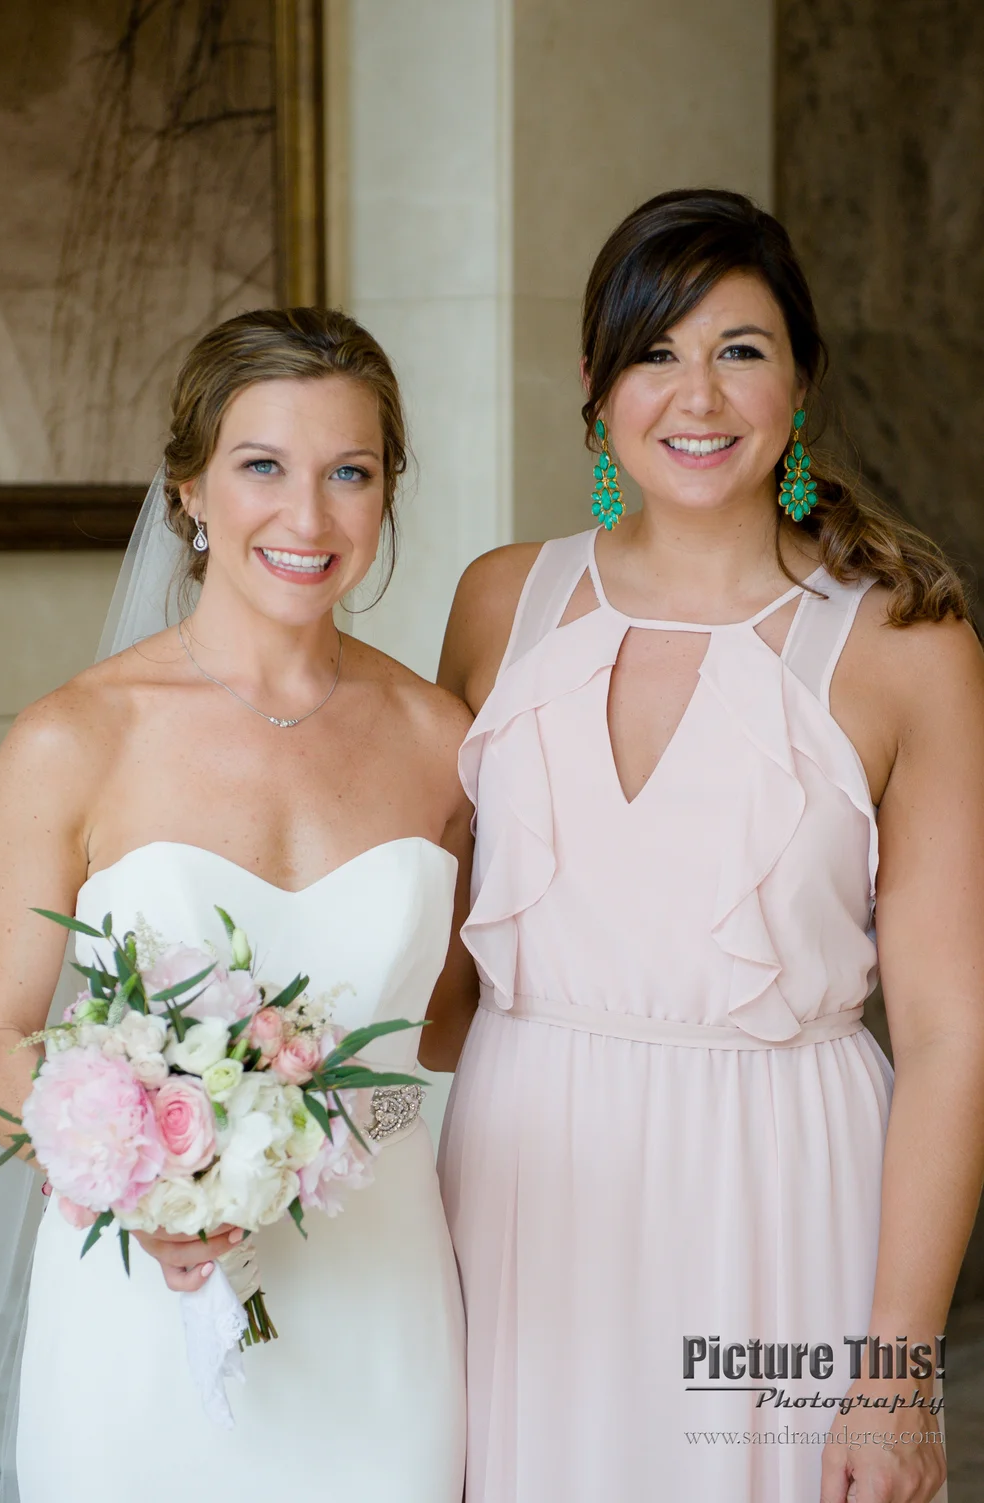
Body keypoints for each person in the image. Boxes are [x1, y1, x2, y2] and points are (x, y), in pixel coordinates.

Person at [430, 189, 984, 1502]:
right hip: (522, 1181)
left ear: (801, 381)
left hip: (777, 1181)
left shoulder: (907, 648)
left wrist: (896, 1371)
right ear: (594, 387)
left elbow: (953, 1033)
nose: (699, 395)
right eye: (656, 352)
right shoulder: (503, 600)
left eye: (740, 349)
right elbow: (425, 955)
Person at [0, 307, 475, 1502]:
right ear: (189, 490)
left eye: (349, 473)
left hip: (381, 1301)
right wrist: (142, 1188)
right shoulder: (73, 738)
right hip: (141, 1301)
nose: (308, 517)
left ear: (386, 493)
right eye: (263, 467)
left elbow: (458, 1027)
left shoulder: (445, 744)